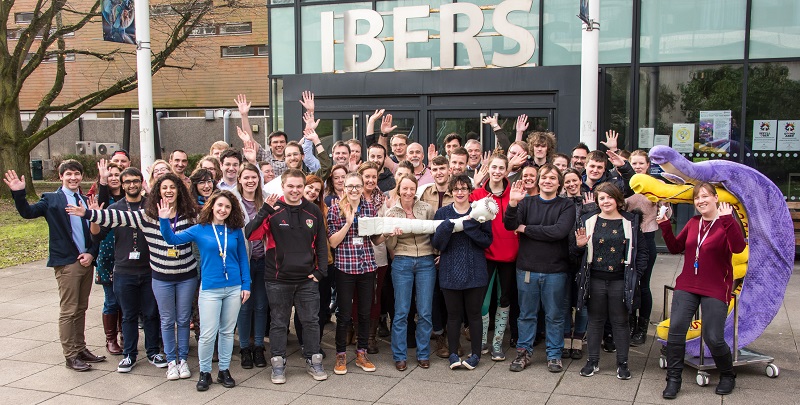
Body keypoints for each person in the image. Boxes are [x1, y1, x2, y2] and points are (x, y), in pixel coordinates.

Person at [67, 173, 199, 380]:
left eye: (172, 187)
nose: (169, 191)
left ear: (179, 190)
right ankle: (171, 361)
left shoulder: (190, 215)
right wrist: (88, 214)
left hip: (186, 276)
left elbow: (212, 222)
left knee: (183, 319)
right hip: (160, 276)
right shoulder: (147, 215)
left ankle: (183, 360)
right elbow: (116, 217)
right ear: (158, 191)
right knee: (166, 320)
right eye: (164, 187)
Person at [4, 162, 106, 372]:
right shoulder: (51, 199)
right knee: (69, 310)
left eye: (77, 174)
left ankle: (80, 348)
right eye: (69, 174)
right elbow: (28, 213)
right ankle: (70, 355)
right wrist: (19, 194)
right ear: (61, 176)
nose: (73, 178)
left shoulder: (87, 200)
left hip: (86, 261)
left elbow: (96, 232)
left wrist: (91, 254)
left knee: (81, 308)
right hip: (67, 263)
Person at [657, 183, 746, 399]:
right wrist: (665, 224)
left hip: (716, 286)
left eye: (705, 196)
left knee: (713, 337)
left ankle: (727, 374)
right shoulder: (694, 222)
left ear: (716, 198)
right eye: (697, 197)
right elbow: (675, 248)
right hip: (687, 284)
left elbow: (738, 248)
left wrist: (727, 220)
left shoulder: (727, 222)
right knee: (676, 330)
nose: (701, 201)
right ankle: (674, 379)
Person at [159, 190, 251, 391]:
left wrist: (246, 285)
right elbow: (172, 240)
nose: (223, 210)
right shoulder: (200, 229)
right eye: (219, 205)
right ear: (212, 206)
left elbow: (243, 259)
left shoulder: (234, 230)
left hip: (234, 287)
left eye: (227, 206)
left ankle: (224, 370)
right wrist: (164, 220)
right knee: (208, 333)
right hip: (210, 289)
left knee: (227, 332)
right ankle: (205, 371)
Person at [245, 169, 329, 384]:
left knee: (311, 321)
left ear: (304, 187)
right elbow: (251, 233)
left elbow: (321, 243)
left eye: (299, 186)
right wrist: (264, 210)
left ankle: (313, 359)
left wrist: (320, 272)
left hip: (307, 279)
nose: (295, 190)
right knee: (279, 323)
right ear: (283, 187)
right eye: (290, 186)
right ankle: (278, 363)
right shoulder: (272, 210)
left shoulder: (313, 211)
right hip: (277, 278)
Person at [503, 164, 576, 373]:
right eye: (544, 177)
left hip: (555, 270)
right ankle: (523, 353)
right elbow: (510, 225)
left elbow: (559, 232)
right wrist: (513, 204)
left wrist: (526, 229)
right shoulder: (526, 203)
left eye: (553, 178)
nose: (547, 181)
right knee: (526, 314)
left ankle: (554, 355)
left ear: (559, 183)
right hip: (527, 269)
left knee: (554, 315)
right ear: (538, 180)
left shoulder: (566, 206)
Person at [572, 182, 648, 380]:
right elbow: (574, 254)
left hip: (620, 281)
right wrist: (579, 247)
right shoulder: (588, 220)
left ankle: (622, 364)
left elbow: (642, 253)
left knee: (620, 322)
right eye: (602, 198)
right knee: (595, 321)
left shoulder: (631, 221)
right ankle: (592, 362)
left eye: (609, 197)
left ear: (618, 199)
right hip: (595, 279)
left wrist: (634, 276)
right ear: (597, 201)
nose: (606, 201)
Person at [99, 167, 167, 372]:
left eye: (135, 181)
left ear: (141, 182)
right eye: (127, 181)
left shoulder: (153, 206)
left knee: (151, 313)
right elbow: (98, 236)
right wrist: (95, 217)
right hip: (124, 270)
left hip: (150, 269)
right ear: (121, 184)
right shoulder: (115, 208)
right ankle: (129, 354)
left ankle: (153, 351)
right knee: (128, 315)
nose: (131, 184)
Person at [432, 174, 492, 370]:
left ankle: (475, 354)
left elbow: (486, 241)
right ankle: (452, 353)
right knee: (453, 315)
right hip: (450, 271)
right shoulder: (442, 213)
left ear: (469, 191)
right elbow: (437, 244)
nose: (460, 192)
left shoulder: (480, 211)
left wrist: (469, 227)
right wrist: (448, 227)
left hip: (475, 270)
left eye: (464, 188)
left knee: (474, 314)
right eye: (456, 189)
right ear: (451, 191)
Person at [328, 172, 384, 374]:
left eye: (357, 186)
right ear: (344, 187)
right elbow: (333, 242)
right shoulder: (335, 209)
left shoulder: (370, 207)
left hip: (367, 266)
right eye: (350, 186)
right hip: (345, 267)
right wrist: (348, 223)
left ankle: (361, 353)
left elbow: (376, 240)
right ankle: (341, 356)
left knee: (364, 312)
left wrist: (387, 232)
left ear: (362, 188)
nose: (353, 190)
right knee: (343, 315)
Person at [470, 154, 519, 361]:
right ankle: (481, 341)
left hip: (509, 255)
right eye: (494, 167)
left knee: (504, 300)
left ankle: (497, 343)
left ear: (507, 170)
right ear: (487, 169)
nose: (497, 171)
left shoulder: (514, 194)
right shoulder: (477, 194)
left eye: (502, 168)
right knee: (483, 301)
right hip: (486, 255)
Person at [384, 174, 436, 371]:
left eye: (411, 189)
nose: (408, 192)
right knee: (401, 311)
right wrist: (391, 235)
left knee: (424, 311)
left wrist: (436, 253)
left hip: (425, 260)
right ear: (398, 189)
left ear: (416, 190)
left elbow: (433, 233)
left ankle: (423, 354)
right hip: (402, 260)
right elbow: (391, 246)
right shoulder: (392, 212)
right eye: (404, 189)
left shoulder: (426, 209)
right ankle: (400, 355)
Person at [625, 150, 670, 346]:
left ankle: (641, 328)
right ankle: (629, 323)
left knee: (643, 284)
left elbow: (667, 209)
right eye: (633, 163)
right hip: (626, 239)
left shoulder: (656, 186)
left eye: (640, 163)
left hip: (647, 237)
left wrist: (664, 207)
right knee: (627, 283)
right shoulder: (624, 185)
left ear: (647, 165)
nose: (637, 166)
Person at [416, 155, 455, 358]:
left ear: (449, 169)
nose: (439, 172)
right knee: (433, 299)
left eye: (443, 168)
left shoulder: (456, 193)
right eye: (435, 169)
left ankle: (452, 336)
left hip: (450, 253)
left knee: (451, 298)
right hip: (428, 253)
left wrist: (445, 254)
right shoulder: (424, 194)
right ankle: (439, 336)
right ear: (431, 171)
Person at [235, 163, 270, 369]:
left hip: (264, 259)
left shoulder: (267, 198)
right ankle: (245, 347)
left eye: (254, 177)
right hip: (243, 261)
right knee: (245, 305)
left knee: (261, 304)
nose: (250, 181)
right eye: (246, 177)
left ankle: (258, 346)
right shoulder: (233, 201)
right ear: (240, 179)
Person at [89, 161, 124, 355]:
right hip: (107, 255)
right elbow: (99, 216)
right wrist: (102, 181)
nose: (113, 178)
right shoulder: (103, 199)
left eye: (116, 174)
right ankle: (110, 339)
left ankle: (124, 335)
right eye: (109, 175)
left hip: (126, 254)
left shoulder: (129, 198)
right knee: (111, 300)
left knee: (126, 301)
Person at [560, 168, 593, 359]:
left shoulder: (589, 200)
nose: (571, 184)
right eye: (567, 181)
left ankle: (579, 339)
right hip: (563, 258)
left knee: (582, 302)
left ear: (580, 181)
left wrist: (589, 209)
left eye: (574, 181)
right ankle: (566, 338)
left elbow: (592, 225)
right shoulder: (560, 202)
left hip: (584, 259)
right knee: (564, 302)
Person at [357, 162, 389, 353]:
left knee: (375, 298)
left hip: (377, 255)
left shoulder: (383, 201)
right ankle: (359, 333)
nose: (370, 180)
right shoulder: (351, 198)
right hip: (355, 256)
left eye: (374, 177)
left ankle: (371, 336)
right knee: (357, 297)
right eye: (366, 176)